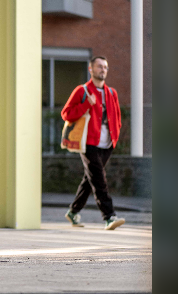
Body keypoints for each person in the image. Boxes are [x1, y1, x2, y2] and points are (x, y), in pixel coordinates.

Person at [61, 56, 125, 230]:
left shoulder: (112, 93)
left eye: (105, 67)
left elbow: (117, 118)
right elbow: (66, 114)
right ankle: (109, 216)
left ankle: (73, 212)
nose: (103, 69)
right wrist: (85, 106)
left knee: (90, 179)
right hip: (88, 143)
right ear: (91, 69)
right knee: (99, 179)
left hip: (107, 144)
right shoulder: (82, 91)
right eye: (99, 66)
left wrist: (115, 137)